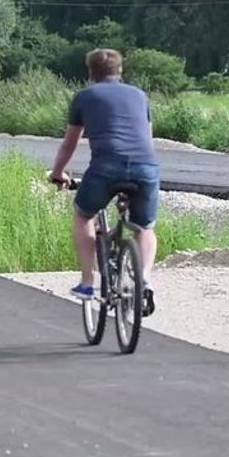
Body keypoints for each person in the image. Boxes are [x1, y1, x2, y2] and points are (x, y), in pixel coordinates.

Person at [48, 48, 159, 316]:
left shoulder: (85, 97)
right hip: (146, 168)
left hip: (106, 168)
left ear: (91, 73)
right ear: (120, 72)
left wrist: (58, 173)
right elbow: (147, 137)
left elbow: (69, 144)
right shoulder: (139, 95)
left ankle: (88, 282)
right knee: (144, 227)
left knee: (83, 216)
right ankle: (143, 278)